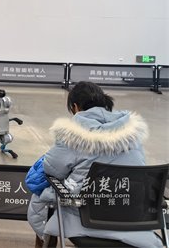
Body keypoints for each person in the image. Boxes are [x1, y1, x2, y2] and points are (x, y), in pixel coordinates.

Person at [26, 81, 161, 248]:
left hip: (86, 218)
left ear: (75, 107)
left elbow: (52, 169)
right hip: (133, 215)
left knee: (44, 193)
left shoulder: (72, 134)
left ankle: (46, 241)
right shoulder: (131, 132)